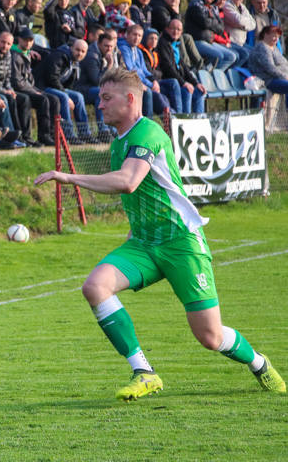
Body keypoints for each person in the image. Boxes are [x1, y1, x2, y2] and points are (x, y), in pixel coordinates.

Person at [34, 67, 285, 401]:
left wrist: (67, 177)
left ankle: (259, 363)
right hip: (143, 242)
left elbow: (128, 181)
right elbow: (140, 195)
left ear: (130, 99)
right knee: (95, 287)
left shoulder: (148, 133)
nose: (100, 106)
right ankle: (144, 372)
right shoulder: (120, 142)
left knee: (210, 337)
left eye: (106, 99)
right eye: (98, 99)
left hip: (182, 243)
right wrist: (133, 231)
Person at [33, 39, 97, 143]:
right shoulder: (60, 56)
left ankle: (85, 133)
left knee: (79, 96)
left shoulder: (76, 62)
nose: (79, 53)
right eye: (77, 50)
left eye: (82, 51)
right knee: (64, 97)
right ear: (71, 48)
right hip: (42, 86)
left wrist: (65, 92)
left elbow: (68, 83)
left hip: (56, 87)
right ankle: (69, 134)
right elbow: (52, 78)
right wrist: (66, 94)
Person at [10, 29, 60, 146]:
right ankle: (43, 136)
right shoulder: (15, 56)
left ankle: (53, 135)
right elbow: (17, 82)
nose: (28, 43)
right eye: (26, 40)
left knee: (54, 100)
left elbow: (29, 79)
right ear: (19, 40)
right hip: (19, 90)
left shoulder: (26, 54)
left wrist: (36, 90)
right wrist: (34, 91)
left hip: (29, 88)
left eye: (31, 41)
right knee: (43, 100)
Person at [117, 24, 176, 117]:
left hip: (145, 83)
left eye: (139, 35)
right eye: (134, 34)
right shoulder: (124, 49)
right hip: (131, 83)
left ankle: (175, 117)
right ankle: (152, 122)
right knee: (153, 95)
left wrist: (154, 81)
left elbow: (145, 71)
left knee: (168, 90)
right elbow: (131, 71)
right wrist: (150, 85)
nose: (137, 38)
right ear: (127, 35)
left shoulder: (138, 51)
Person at [156, 20, 207, 113]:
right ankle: (184, 120)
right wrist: (184, 83)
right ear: (167, 29)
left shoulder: (177, 44)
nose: (176, 32)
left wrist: (196, 83)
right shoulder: (163, 43)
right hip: (167, 82)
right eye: (173, 29)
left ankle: (199, 120)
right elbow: (167, 68)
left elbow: (184, 67)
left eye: (178, 30)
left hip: (178, 82)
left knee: (199, 92)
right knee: (187, 91)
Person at [185, 0, 238, 71]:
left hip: (209, 41)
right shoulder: (195, 4)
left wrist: (211, 22)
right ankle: (203, 77)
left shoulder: (213, 8)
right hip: (197, 41)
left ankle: (214, 78)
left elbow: (220, 28)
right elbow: (204, 23)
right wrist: (215, 21)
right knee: (218, 56)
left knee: (231, 56)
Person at [74, 29, 118, 134]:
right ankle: (104, 130)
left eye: (111, 46)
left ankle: (113, 128)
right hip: (82, 88)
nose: (109, 49)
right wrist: (109, 65)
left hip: (93, 87)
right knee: (101, 93)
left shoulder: (109, 54)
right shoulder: (91, 56)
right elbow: (97, 81)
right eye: (106, 46)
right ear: (99, 44)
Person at [0, 31, 34, 144]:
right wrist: (5, 91)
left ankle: (25, 136)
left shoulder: (8, 55)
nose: (5, 46)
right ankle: (13, 135)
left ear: (12, 45)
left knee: (24, 99)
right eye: (2, 42)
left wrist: (10, 89)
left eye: (8, 44)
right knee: (9, 99)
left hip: (3, 89)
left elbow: (7, 78)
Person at [151, 0, 205, 70]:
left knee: (188, 37)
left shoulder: (168, 8)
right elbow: (172, 27)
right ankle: (186, 67)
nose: (174, 0)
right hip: (161, 37)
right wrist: (176, 13)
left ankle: (201, 66)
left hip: (168, 34)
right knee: (179, 36)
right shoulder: (159, 8)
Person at [247, 26, 288, 96]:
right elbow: (270, 68)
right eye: (274, 36)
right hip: (267, 80)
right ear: (266, 34)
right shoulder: (262, 48)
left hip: (279, 77)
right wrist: (285, 77)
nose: (276, 39)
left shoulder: (274, 48)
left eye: (278, 37)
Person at [222, 0, 256, 68]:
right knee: (245, 54)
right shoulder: (227, 6)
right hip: (230, 42)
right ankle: (231, 73)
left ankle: (245, 77)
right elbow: (239, 21)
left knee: (255, 54)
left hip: (241, 43)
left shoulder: (243, 7)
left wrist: (243, 26)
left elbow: (253, 24)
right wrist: (243, 23)